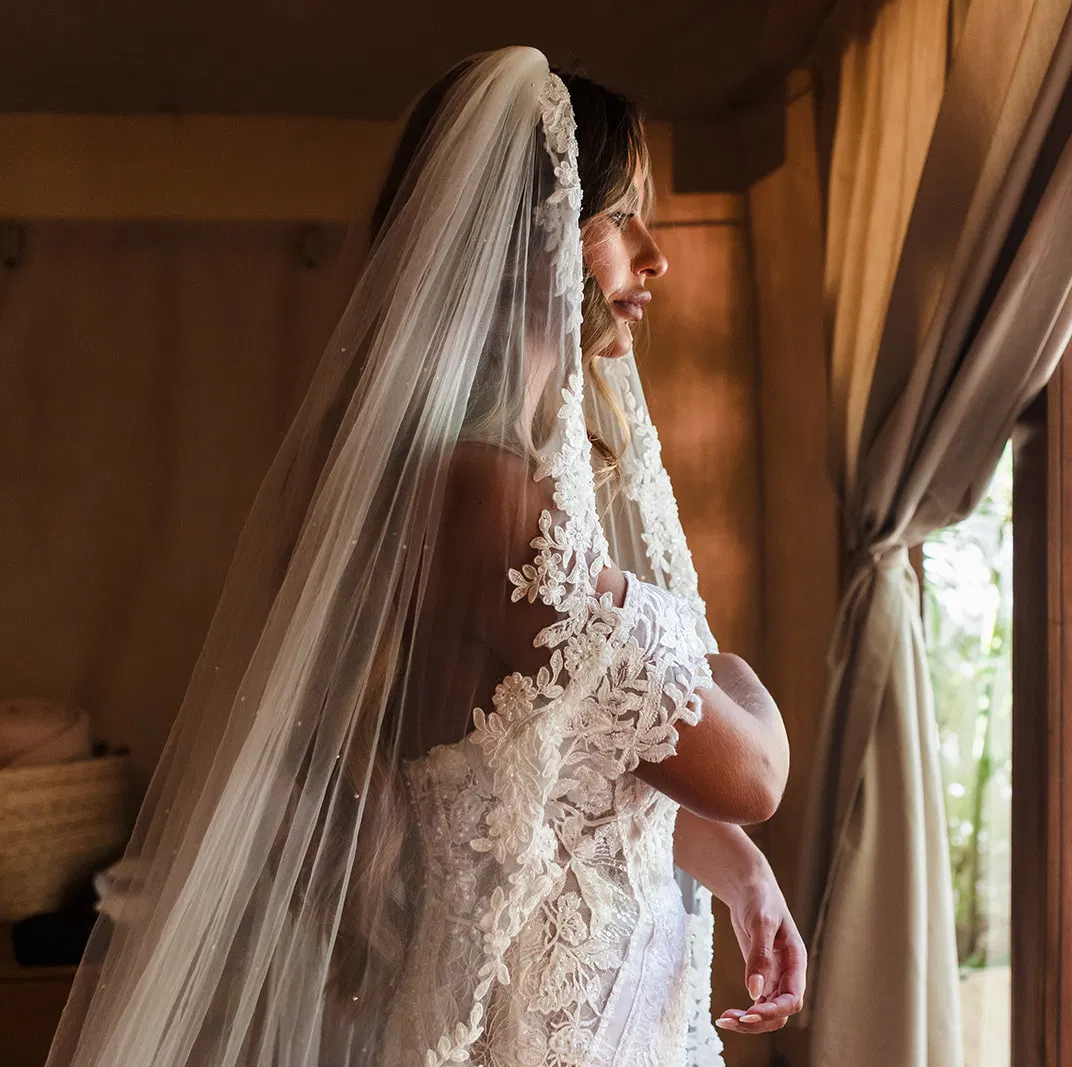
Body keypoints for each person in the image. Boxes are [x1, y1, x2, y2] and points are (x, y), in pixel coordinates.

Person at [46, 46, 803, 1067]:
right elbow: (752, 770)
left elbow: (574, 772)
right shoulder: (486, 502)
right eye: (622, 219)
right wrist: (728, 671)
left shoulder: (471, 488)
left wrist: (745, 875)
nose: (653, 259)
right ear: (540, 238)